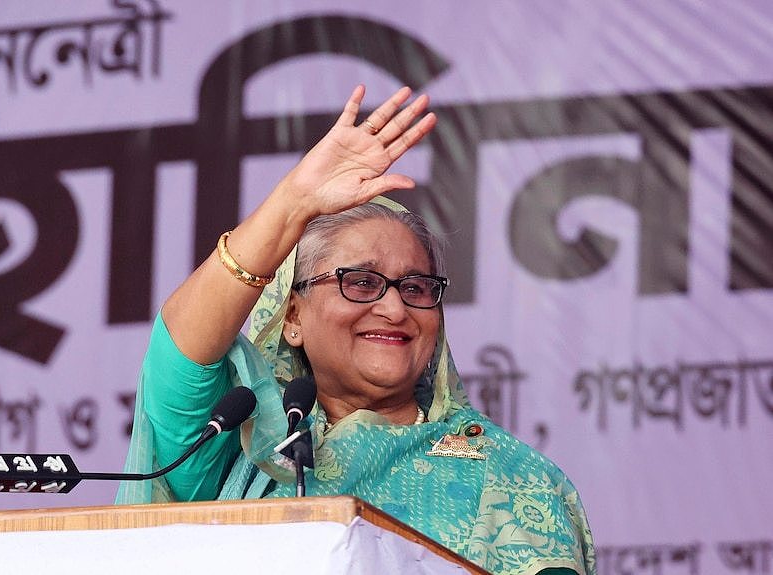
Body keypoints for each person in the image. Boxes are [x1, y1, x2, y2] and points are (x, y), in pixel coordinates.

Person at [117, 85, 596, 574]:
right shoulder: (235, 446)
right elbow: (179, 357)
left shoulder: (512, 480)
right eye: (360, 282)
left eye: (415, 287)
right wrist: (292, 204)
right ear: (293, 317)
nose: (394, 308)